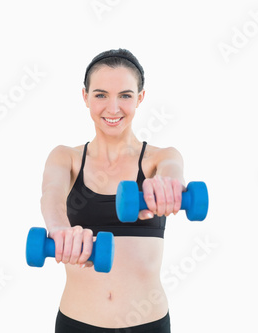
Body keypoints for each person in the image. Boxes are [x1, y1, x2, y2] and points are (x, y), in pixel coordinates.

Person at [41, 48, 184, 332]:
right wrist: (59, 230)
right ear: (85, 96)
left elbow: (173, 173)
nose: (113, 108)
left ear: (140, 98)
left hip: (147, 324)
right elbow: (51, 196)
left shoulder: (160, 157)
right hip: (77, 322)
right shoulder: (65, 157)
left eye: (126, 95)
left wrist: (167, 188)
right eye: (101, 95)